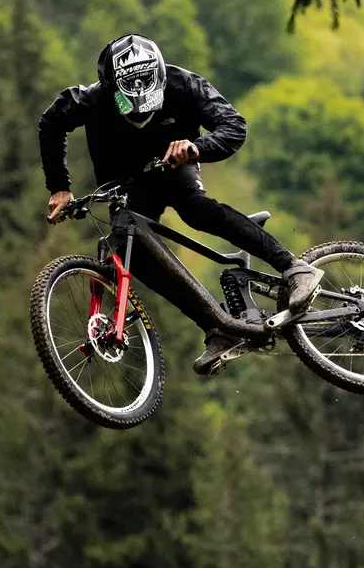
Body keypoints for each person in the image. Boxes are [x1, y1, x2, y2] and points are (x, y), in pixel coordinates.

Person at [39, 34, 322, 376]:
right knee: (132, 253)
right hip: (126, 185)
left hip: (175, 166)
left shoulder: (183, 84)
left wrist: (197, 147)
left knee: (194, 209)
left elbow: (234, 126)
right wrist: (60, 187)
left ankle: (294, 268)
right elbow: (51, 124)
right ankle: (218, 329)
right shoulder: (89, 99)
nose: (143, 114)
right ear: (112, 90)